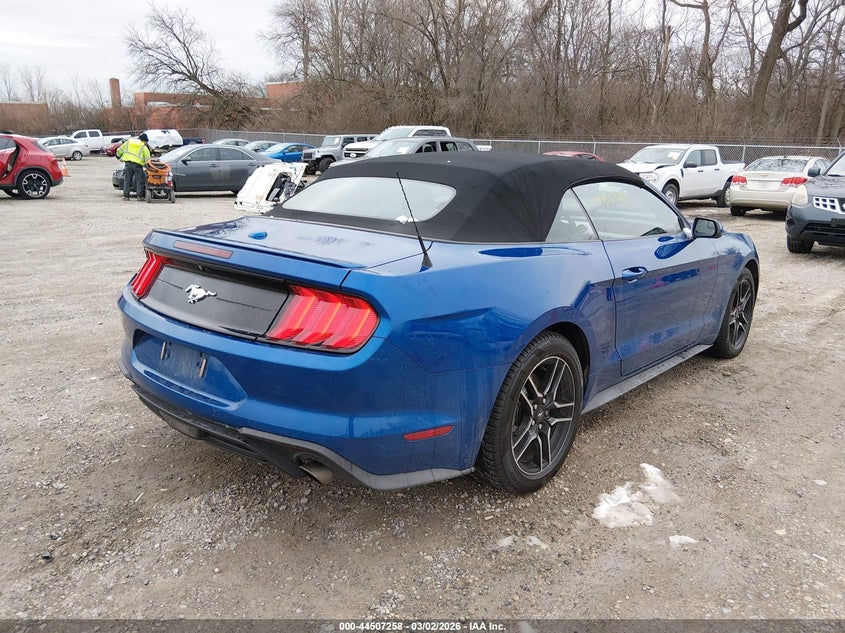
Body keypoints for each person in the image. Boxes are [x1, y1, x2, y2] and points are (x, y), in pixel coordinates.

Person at [116, 133, 151, 200]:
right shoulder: (143, 146)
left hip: (128, 164)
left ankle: (126, 196)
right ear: (144, 140)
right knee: (139, 180)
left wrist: (118, 156)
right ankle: (139, 196)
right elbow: (147, 157)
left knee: (127, 180)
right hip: (137, 165)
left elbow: (119, 150)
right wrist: (147, 164)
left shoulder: (128, 142)